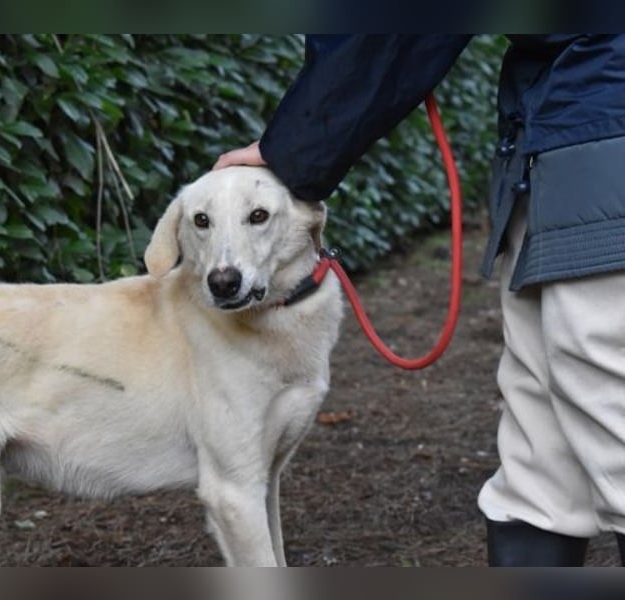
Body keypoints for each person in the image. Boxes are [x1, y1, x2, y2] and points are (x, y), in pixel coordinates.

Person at [213, 34, 625, 567]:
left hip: (597, 139)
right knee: (542, 467)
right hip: (560, 136)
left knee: (607, 405)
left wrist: (291, 152)